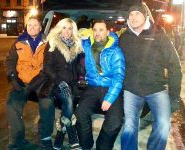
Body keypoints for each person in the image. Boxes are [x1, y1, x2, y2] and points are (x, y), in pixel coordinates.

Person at [119, 3, 183, 150]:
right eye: (131, 14)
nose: (133, 17)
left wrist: (174, 97)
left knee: (163, 124)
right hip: (131, 89)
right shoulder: (124, 38)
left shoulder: (159, 35)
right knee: (129, 125)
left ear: (145, 16)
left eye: (137, 14)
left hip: (156, 89)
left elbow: (174, 65)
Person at [5, 16, 55, 150]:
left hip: (40, 81)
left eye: (35, 25)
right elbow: (10, 61)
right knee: (11, 106)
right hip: (22, 81)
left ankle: (44, 139)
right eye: (30, 25)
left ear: (40, 28)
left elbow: (51, 63)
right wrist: (12, 77)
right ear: (26, 27)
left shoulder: (48, 42)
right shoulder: (18, 42)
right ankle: (17, 140)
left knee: (48, 105)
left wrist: (46, 78)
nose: (32, 28)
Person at [75, 20, 125, 150]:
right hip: (92, 87)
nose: (97, 33)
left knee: (115, 122)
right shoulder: (86, 44)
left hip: (110, 87)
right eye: (95, 30)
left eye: (101, 30)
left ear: (108, 32)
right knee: (80, 114)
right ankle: (86, 145)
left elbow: (118, 77)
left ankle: (102, 146)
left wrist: (109, 99)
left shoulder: (115, 50)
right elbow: (72, 37)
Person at [42, 18, 83, 150]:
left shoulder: (76, 45)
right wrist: (60, 82)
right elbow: (47, 67)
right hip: (56, 82)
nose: (67, 31)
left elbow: (78, 67)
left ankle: (59, 138)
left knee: (69, 109)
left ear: (73, 30)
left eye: (70, 28)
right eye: (64, 27)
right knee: (69, 101)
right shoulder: (52, 43)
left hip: (72, 83)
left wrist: (80, 77)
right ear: (59, 28)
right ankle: (73, 138)